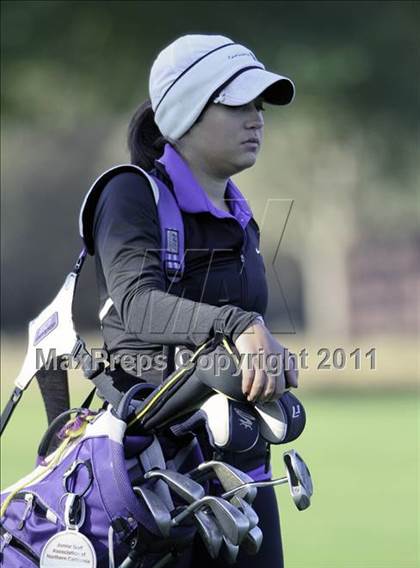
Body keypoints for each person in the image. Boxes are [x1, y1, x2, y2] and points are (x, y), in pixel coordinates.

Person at [91, 34, 298, 567]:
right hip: (152, 489)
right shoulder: (130, 193)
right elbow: (137, 302)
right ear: (184, 112)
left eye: (260, 106)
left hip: (245, 478)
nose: (257, 119)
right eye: (238, 104)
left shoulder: (239, 213)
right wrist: (239, 323)